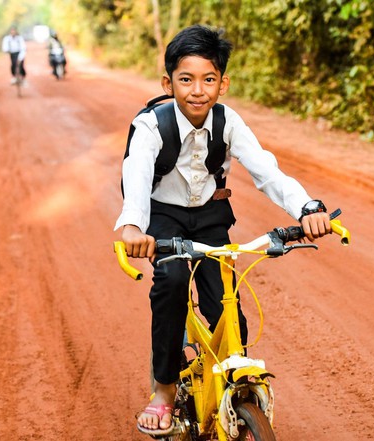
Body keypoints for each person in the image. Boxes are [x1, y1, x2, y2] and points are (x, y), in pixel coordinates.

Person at [114, 24, 332, 436]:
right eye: (186, 79)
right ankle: (163, 392)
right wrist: (132, 226)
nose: (197, 90)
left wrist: (307, 208)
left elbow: (266, 170)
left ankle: (236, 388)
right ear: (168, 82)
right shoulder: (150, 126)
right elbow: (138, 174)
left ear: (223, 83)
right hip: (162, 217)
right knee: (172, 281)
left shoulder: (228, 121)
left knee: (227, 307)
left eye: (208, 79)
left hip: (212, 218)